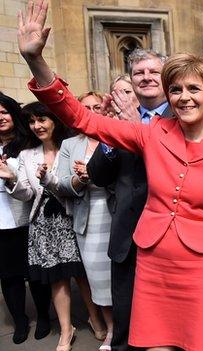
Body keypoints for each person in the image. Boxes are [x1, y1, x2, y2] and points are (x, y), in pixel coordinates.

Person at [18, 4, 203, 351]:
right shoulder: (151, 133)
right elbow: (83, 119)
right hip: (155, 262)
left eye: (193, 89)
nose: (183, 97)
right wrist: (36, 61)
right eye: (176, 90)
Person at [87, 49, 171, 351]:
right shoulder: (119, 121)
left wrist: (139, 130)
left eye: (153, 71)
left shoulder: (183, 114)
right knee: (127, 321)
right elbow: (97, 175)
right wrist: (113, 134)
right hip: (127, 238)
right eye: (139, 73)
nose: (146, 77)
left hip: (169, 239)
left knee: (166, 324)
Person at [3, 102, 97, 351]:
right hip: (43, 223)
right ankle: (67, 330)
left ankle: (96, 318)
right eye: (32, 121)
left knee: (82, 274)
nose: (37, 126)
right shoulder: (26, 154)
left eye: (42, 120)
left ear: (55, 120)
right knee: (57, 279)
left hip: (72, 218)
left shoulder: (73, 146)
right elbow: (25, 194)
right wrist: (11, 179)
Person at [56, 91, 115, 350]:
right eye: (85, 107)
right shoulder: (70, 145)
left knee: (124, 276)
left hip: (119, 215)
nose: (92, 111)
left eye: (96, 106)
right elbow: (61, 185)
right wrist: (81, 178)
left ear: (104, 109)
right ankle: (112, 330)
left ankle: (131, 327)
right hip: (88, 219)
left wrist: (97, 173)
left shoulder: (115, 136)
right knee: (99, 280)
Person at [0, 92, 52, 344]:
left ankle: (44, 316)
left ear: (13, 112)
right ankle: (20, 320)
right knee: (8, 276)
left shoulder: (28, 144)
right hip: (1, 223)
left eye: (3, 111)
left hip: (27, 218)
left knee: (35, 273)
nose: (0, 118)